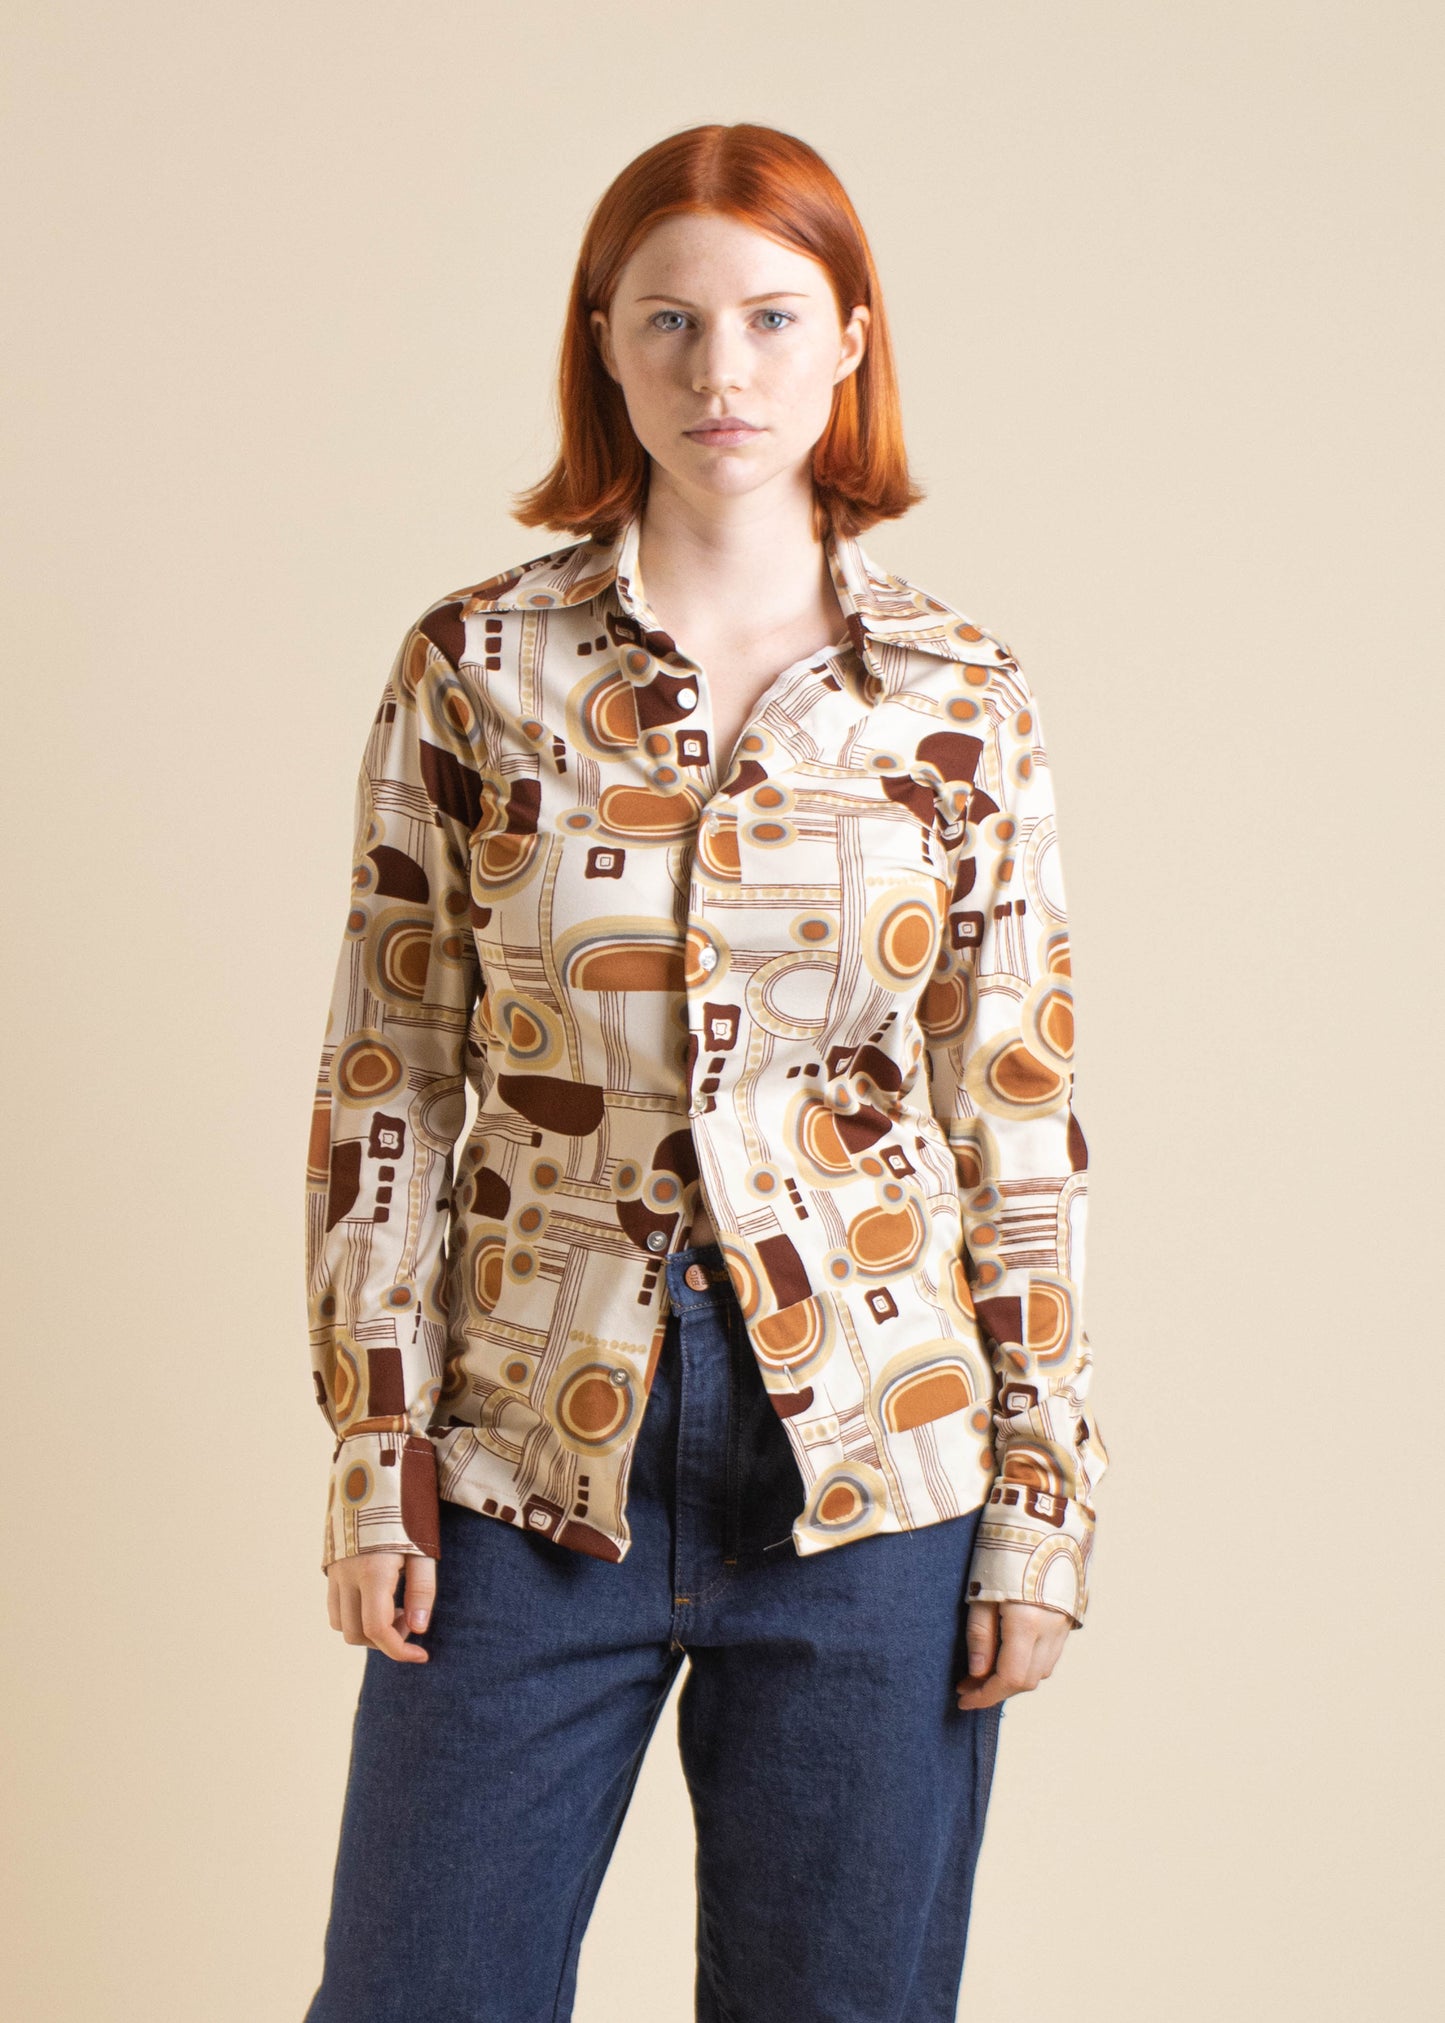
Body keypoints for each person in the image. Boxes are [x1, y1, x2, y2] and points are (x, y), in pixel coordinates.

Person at [301, 121, 1109, 2023]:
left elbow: (1013, 1108)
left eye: (767, 318)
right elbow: (388, 1078)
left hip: (872, 1459)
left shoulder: (959, 697)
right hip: (520, 1451)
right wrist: (371, 1445)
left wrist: (1041, 1500)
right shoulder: (475, 663)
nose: (717, 370)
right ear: (602, 342)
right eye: (665, 319)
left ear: (848, 344)